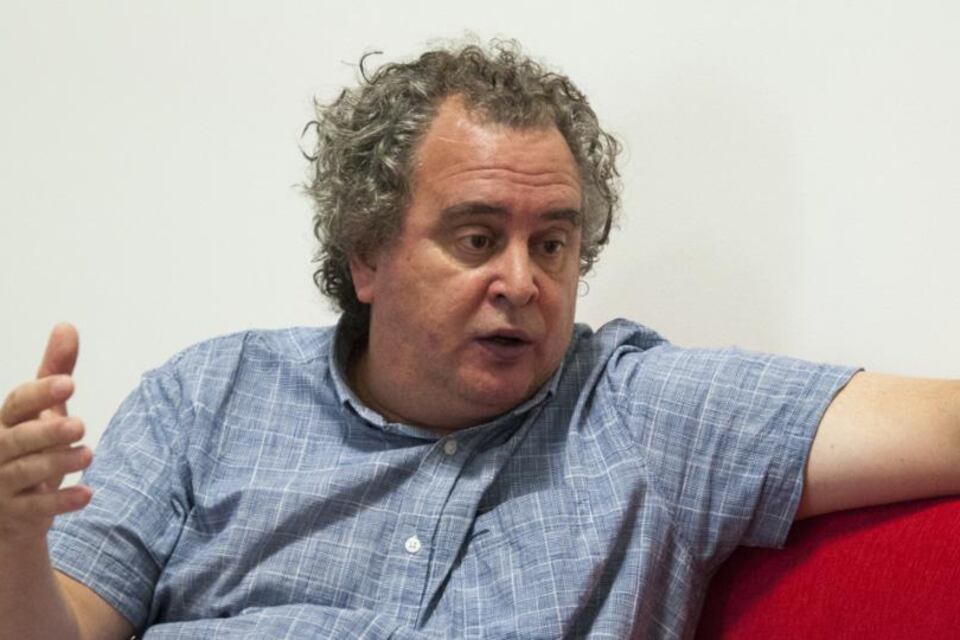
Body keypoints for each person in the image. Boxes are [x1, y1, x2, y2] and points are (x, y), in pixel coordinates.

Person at [1, 41, 957, 639]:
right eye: (475, 239)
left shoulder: (641, 416)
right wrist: (13, 541)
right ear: (367, 254)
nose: (522, 282)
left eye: (553, 244)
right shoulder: (208, 397)